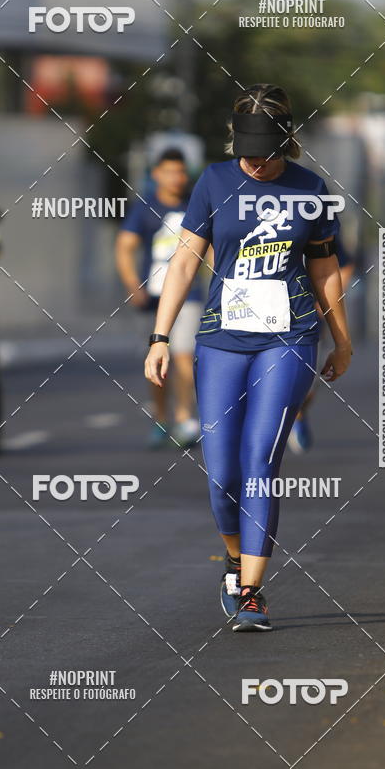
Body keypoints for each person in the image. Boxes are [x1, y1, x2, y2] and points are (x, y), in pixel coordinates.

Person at [144, 84, 352, 632]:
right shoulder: (214, 181)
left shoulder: (311, 189)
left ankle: (253, 593)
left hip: (289, 338)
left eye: (265, 152)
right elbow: (185, 263)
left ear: (286, 141)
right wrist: (160, 337)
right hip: (220, 339)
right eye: (247, 151)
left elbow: (325, 269)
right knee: (221, 474)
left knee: (261, 462)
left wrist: (342, 338)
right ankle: (235, 560)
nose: (255, 163)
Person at [116, 148, 203, 449]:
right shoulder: (145, 208)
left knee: (182, 355)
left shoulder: (196, 205)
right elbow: (125, 246)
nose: (176, 178)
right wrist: (132, 284)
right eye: (169, 171)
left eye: (180, 172)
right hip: (153, 297)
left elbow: (214, 248)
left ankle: (184, 418)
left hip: (189, 294)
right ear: (156, 175)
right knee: (156, 359)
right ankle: (162, 419)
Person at [288, 234, 355, 453]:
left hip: (309, 318)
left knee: (306, 385)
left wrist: (323, 302)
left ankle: (297, 415)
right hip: (267, 318)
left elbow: (343, 267)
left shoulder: (315, 226)